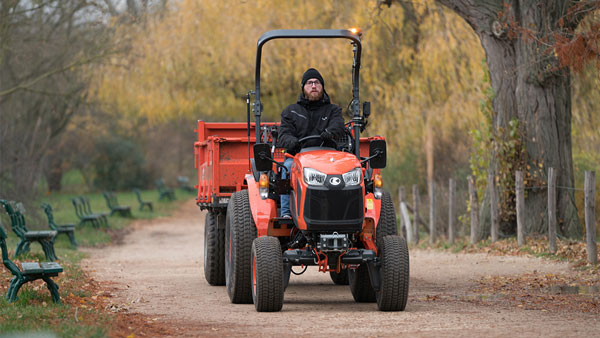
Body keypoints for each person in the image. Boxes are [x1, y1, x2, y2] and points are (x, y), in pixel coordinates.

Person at [277, 68, 345, 218]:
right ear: (303, 87)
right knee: (287, 168)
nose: (313, 86)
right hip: (299, 156)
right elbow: (284, 134)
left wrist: (330, 133)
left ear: (322, 87)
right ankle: (287, 212)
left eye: (317, 83)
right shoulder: (291, 112)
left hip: (327, 157)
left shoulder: (332, 110)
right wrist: (292, 142)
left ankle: (343, 212)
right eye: (309, 83)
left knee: (347, 171)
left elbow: (339, 125)